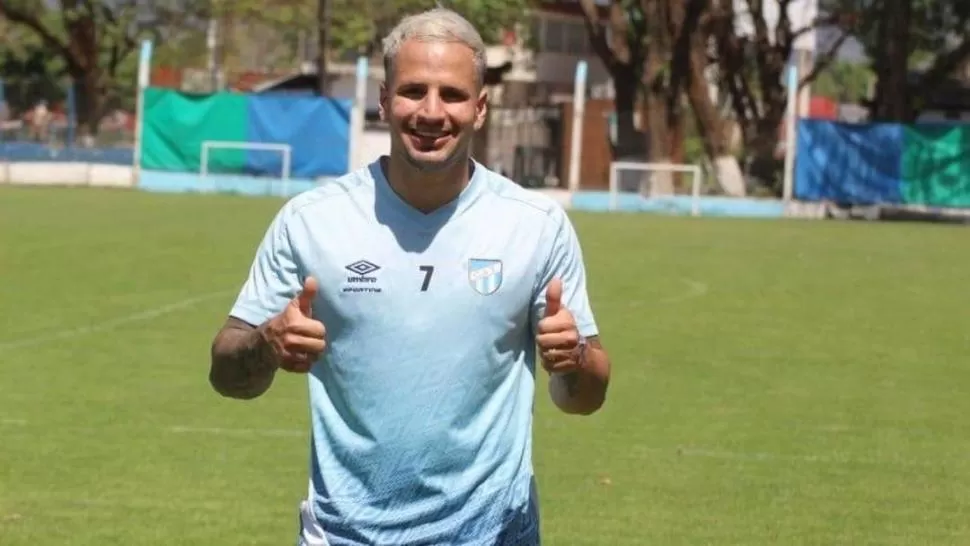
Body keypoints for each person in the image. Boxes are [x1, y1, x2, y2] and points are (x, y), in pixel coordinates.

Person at [208, 7, 611, 546]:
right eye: (413, 90)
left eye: (452, 94)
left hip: (494, 534)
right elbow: (227, 374)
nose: (430, 111)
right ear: (383, 100)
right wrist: (266, 342)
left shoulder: (534, 227)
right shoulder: (313, 221)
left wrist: (575, 361)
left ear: (481, 107)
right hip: (345, 534)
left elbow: (583, 396)